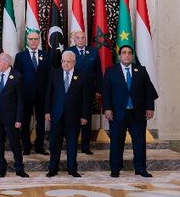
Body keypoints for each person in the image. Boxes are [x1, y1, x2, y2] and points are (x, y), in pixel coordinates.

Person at [102, 45, 158, 178]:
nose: (126, 55)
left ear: (132, 56)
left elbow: (149, 91)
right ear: (119, 56)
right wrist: (107, 109)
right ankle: (115, 169)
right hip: (117, 113)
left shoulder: (141, 70)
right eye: (124, 53)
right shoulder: (111, 71)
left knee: (139, 142)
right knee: (116, 142)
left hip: (137, 113)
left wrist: (150, 108)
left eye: (129, 53)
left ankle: (140, 168)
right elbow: (106, 93)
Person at [45, 50, 91, 178]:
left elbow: (86, 98)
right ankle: (53, 169)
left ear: (74, 62)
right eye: (63, 61)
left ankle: (72, 169)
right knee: (54, 144)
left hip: (74, 117)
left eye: (68, 61)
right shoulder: (55, 73)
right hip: (56, 116)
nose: (65, 64)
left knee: (72, 145)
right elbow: (49, 94)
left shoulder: (82, 75)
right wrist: (47, 111)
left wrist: (85, 115)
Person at [0, 53, 28, 178]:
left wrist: (19, 119)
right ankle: (1, 168)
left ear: (6, 63)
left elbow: (21, 100)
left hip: (11, 117)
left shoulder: (17, 77)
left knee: (15, 144)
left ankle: (19, 168)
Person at [14, 32, 50, 155]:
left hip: (42, 95)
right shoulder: (20, 56)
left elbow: (49, 77)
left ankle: (39, 146)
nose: (33, 41)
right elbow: (17, 77)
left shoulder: (45, 55)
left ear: (39, 40)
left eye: (36, 39)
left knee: (41, 122)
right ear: (27, 41)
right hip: (25, 95)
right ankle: (26, 146)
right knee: (25, 122)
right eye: (31, 39)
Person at [67, 30, 101, 155]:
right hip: (72, 90)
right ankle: (72, 144)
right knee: (72, 118)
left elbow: (98, 72)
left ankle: (86, 146)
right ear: (74, 40)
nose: (80, 40)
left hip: (89, 90)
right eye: (78, 38)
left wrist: (98, 89)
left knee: (86, 117)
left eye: (83, 37)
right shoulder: (68, 52)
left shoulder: (93, 51)